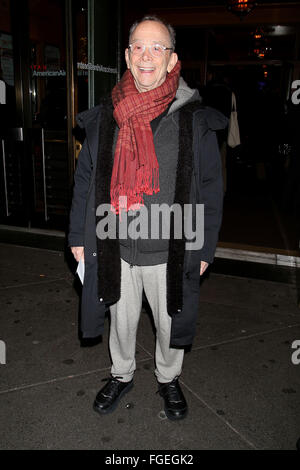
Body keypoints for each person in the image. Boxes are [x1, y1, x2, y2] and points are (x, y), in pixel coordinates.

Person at [68, 16, 227, 421]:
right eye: (138, 46)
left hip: (170, 246)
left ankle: (168, 377)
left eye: (158, 47)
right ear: (126, 55)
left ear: (172, 60)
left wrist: (205, 245)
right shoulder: (107, 116)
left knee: (171, 322)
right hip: (115, 242)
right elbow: (85, 179)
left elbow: (210, 186)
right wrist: (77, 236)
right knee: (119, 322)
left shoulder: (193, 118)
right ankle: (121, 375)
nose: (146, 55)